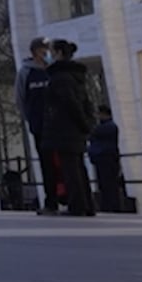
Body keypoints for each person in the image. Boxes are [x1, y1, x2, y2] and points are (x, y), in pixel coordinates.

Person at [40, 40, 97, 217]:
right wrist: (87, 123)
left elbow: (70, 103)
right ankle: (87, 204)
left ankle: (77, 205)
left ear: (58, 53)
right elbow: (84, 102)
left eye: (51, 52)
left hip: (64, 129)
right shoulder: (76, 76)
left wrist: (82, 122)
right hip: (75, 129)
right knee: (78, 167)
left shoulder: (60, 78)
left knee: (70, 169)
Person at [17, 37, 55, 212]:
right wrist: (30, 118)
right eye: (42, 50)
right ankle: (50, 200)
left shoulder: (53, 70)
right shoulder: (25, 72)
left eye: (48, 50)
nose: (45, 53)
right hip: (39, 124)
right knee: (46, 162)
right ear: (35, 52)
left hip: (58, 124)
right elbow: (20, 98)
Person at [88, 105, 125, 214]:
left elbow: (92, 134)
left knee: (108, 184)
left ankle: (110, 206)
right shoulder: (109, 127)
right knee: (107, 184)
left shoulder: (107, 127)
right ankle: (111, 205)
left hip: (106, 157)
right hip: (105, 157)